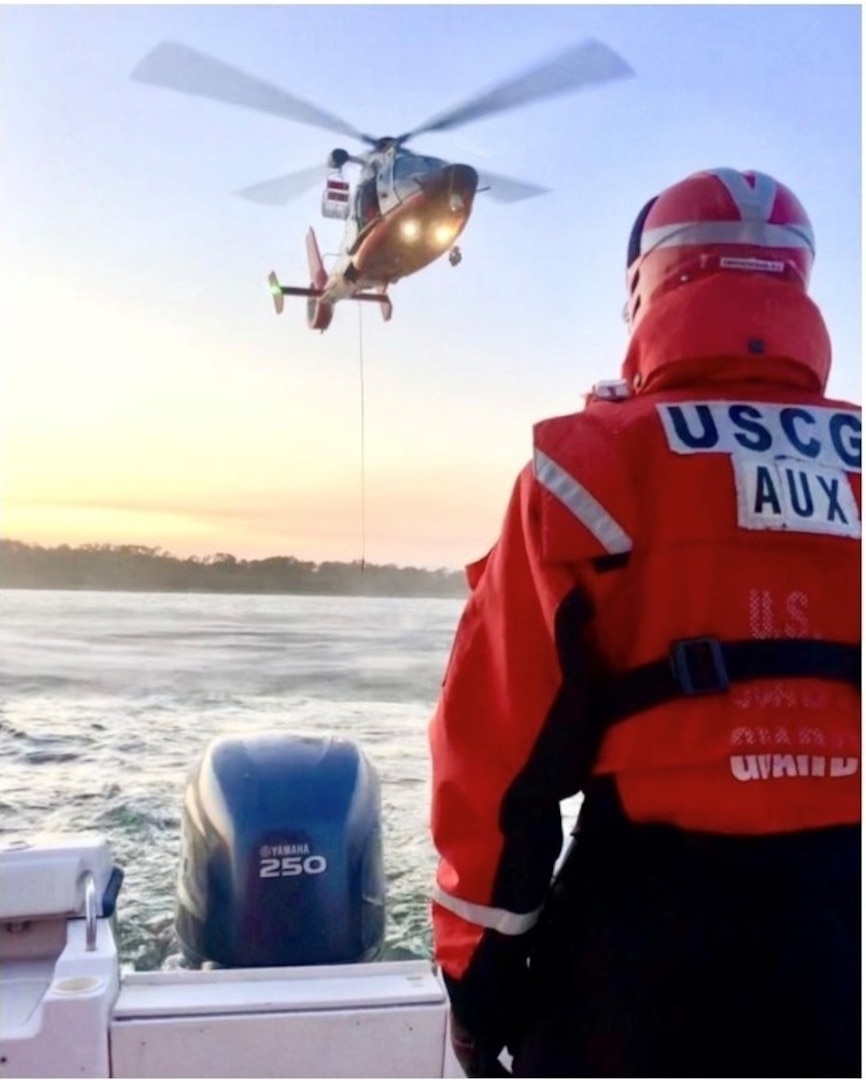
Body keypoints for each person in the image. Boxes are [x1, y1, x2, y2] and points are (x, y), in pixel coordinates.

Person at [428, 167, 861, 1078]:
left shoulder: (584, 469)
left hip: (641, 964)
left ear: (648, 287)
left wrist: (482, 997)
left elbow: (494, 775)